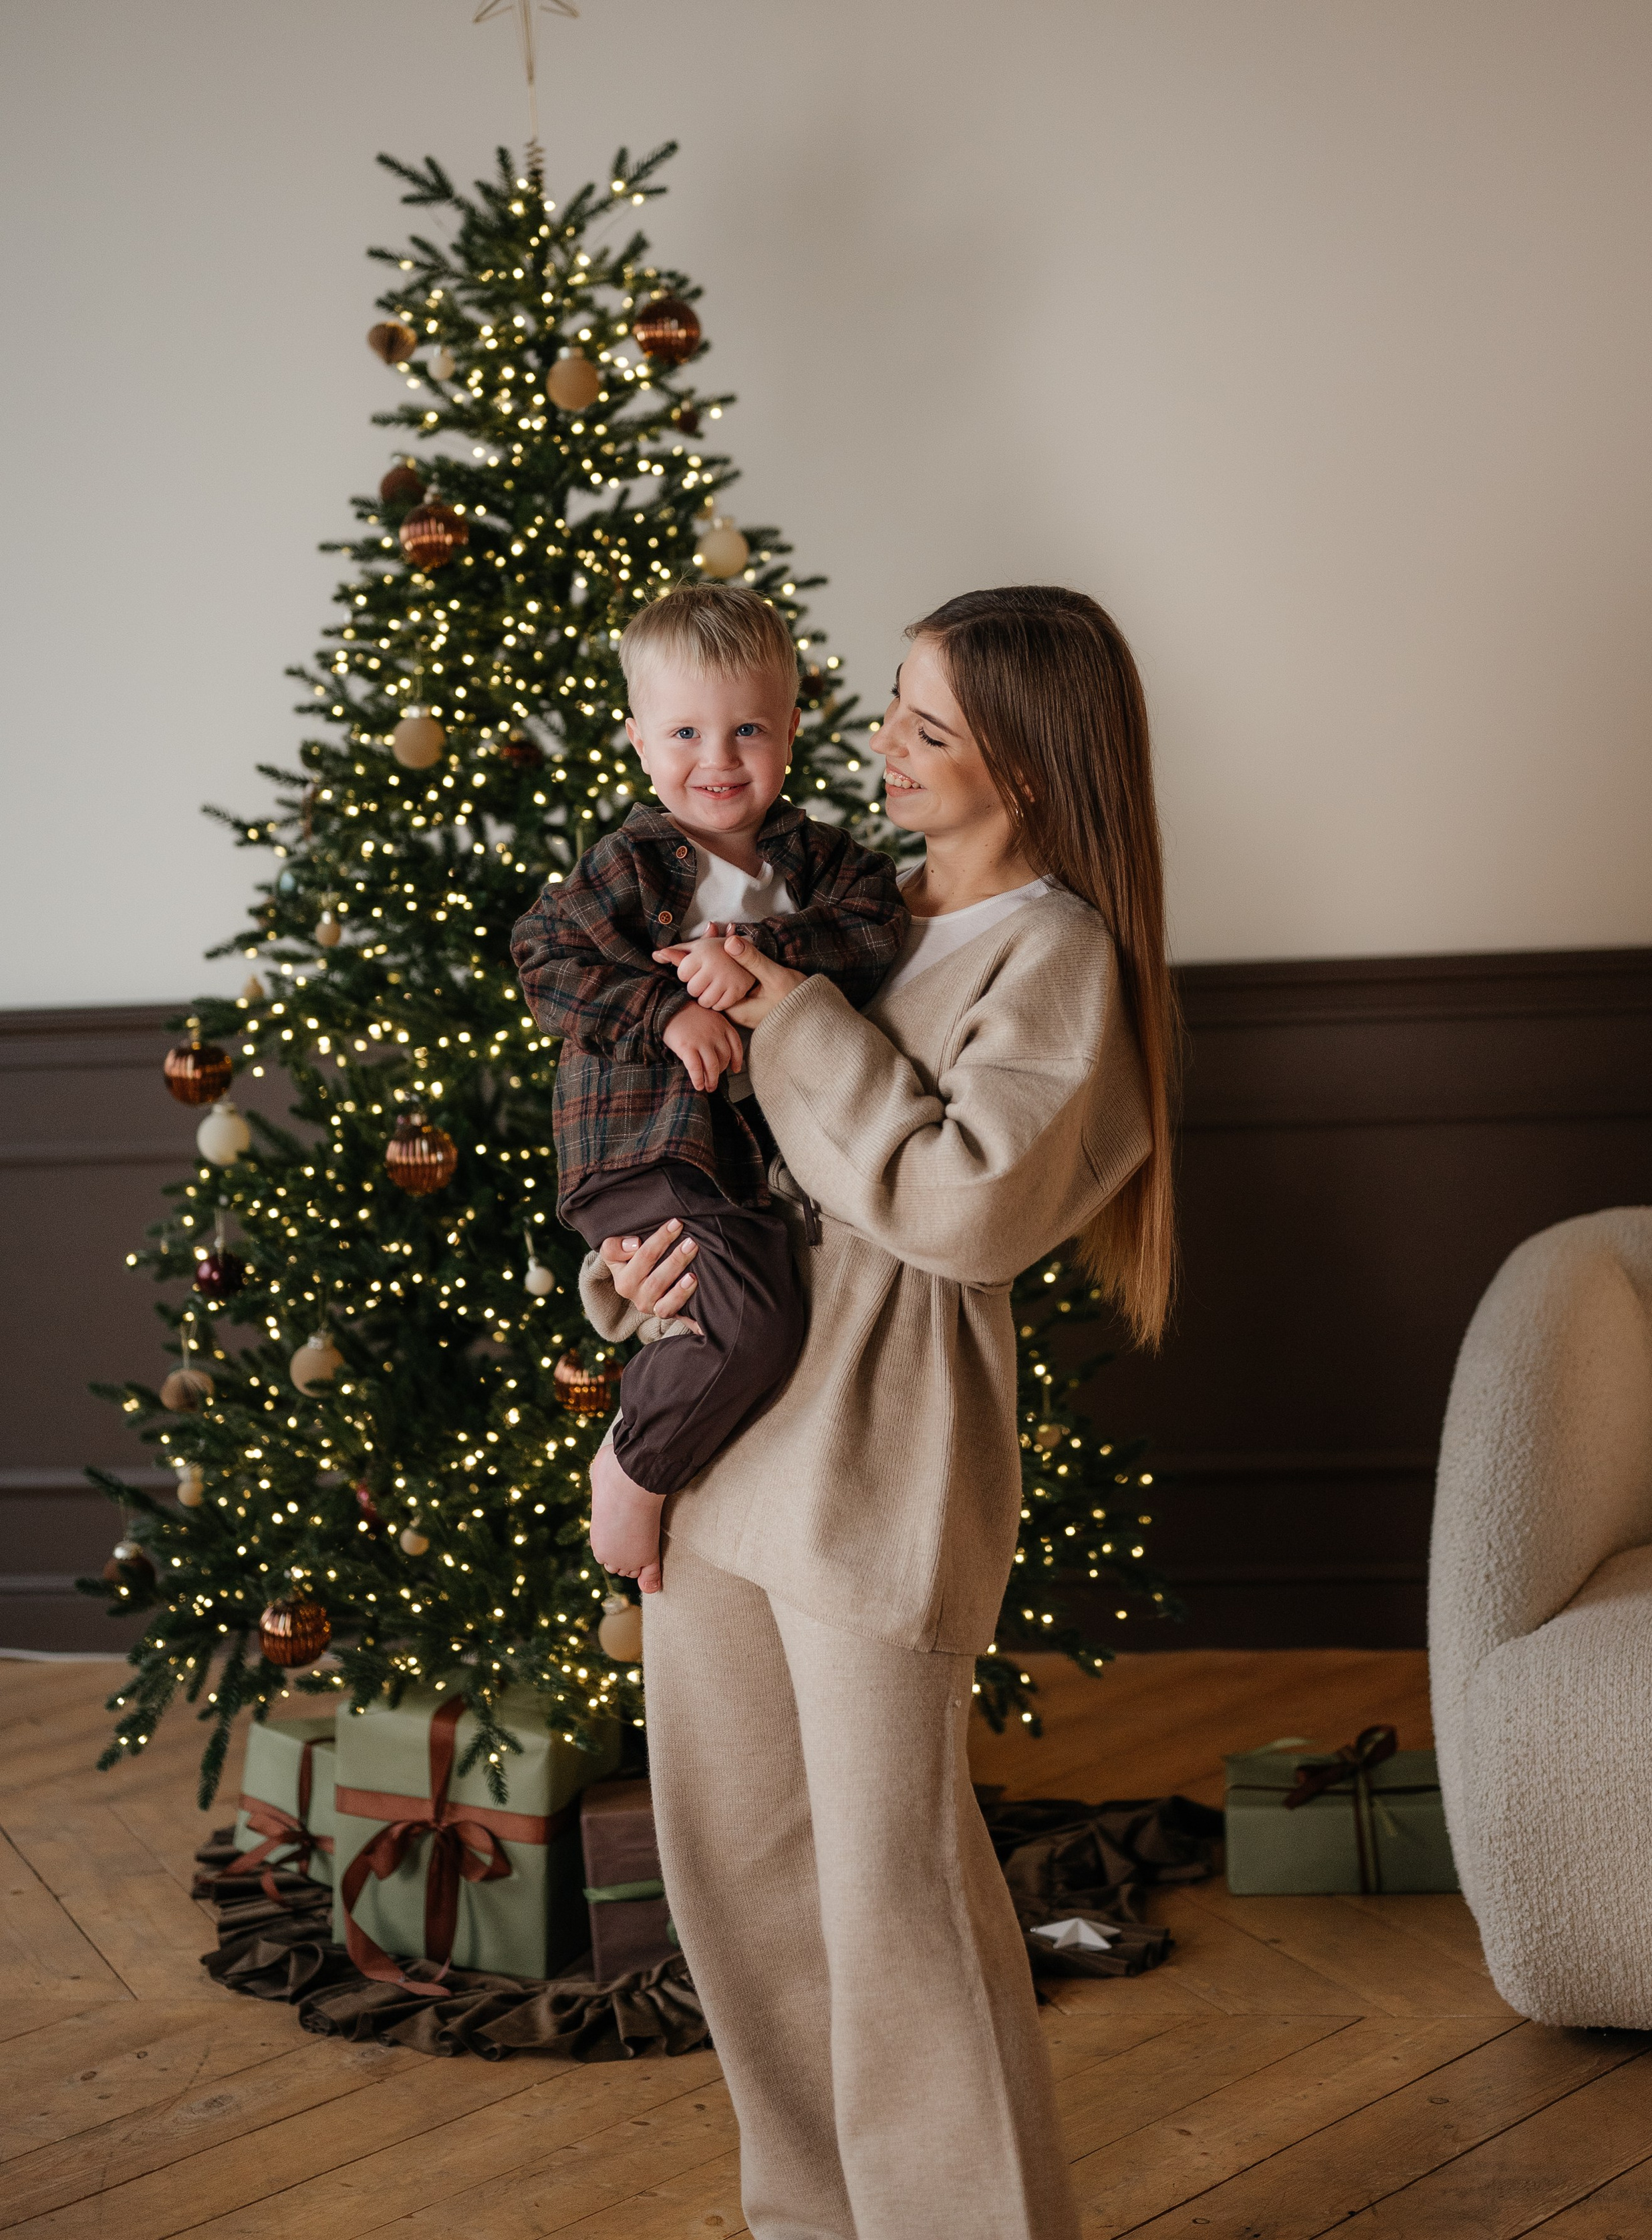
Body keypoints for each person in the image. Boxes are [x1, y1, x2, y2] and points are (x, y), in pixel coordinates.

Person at [579, 585, 1180, 2240]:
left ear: (1035, 768)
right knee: (741, 1885)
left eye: (927, 725)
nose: (878, 746)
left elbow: (962, 1209)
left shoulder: (1053, 958)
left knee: (890, 1899)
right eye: (891, 708)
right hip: (720, 1452)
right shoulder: (846, 905)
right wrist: (631, 1286)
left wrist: (796, 1021)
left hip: (876, 1465)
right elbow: (714, 1159)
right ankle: (809, 2221)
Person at [510, 581, 908, 1592]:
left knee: (760, 1311)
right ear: (638, 740)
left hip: (736, 1165)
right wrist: (669, 1012)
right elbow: (544, 958)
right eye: (685, 731)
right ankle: (633, 1464)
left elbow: (874, 925)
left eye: (747, 730)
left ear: (793, 729)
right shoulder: (634, 866)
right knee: (754, 1323)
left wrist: (763, 953)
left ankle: (667, 1455)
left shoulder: (816, 865)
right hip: (647, 1147)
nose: (719, 760)